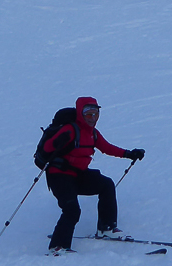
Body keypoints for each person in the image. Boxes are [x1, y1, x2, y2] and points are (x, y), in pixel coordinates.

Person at [42, 97, 145, 254]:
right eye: (88, 114)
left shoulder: (93, 133)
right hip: (59, 176)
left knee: (106, 185)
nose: (92, 118)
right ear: (80, 113)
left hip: (79, 175)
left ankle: (106, 228)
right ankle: (57, 247)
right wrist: (58, 142)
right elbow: (47, 148)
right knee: (72, 209)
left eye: (95, 114)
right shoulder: (70, 130)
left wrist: (129, 154)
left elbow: (107, 147)